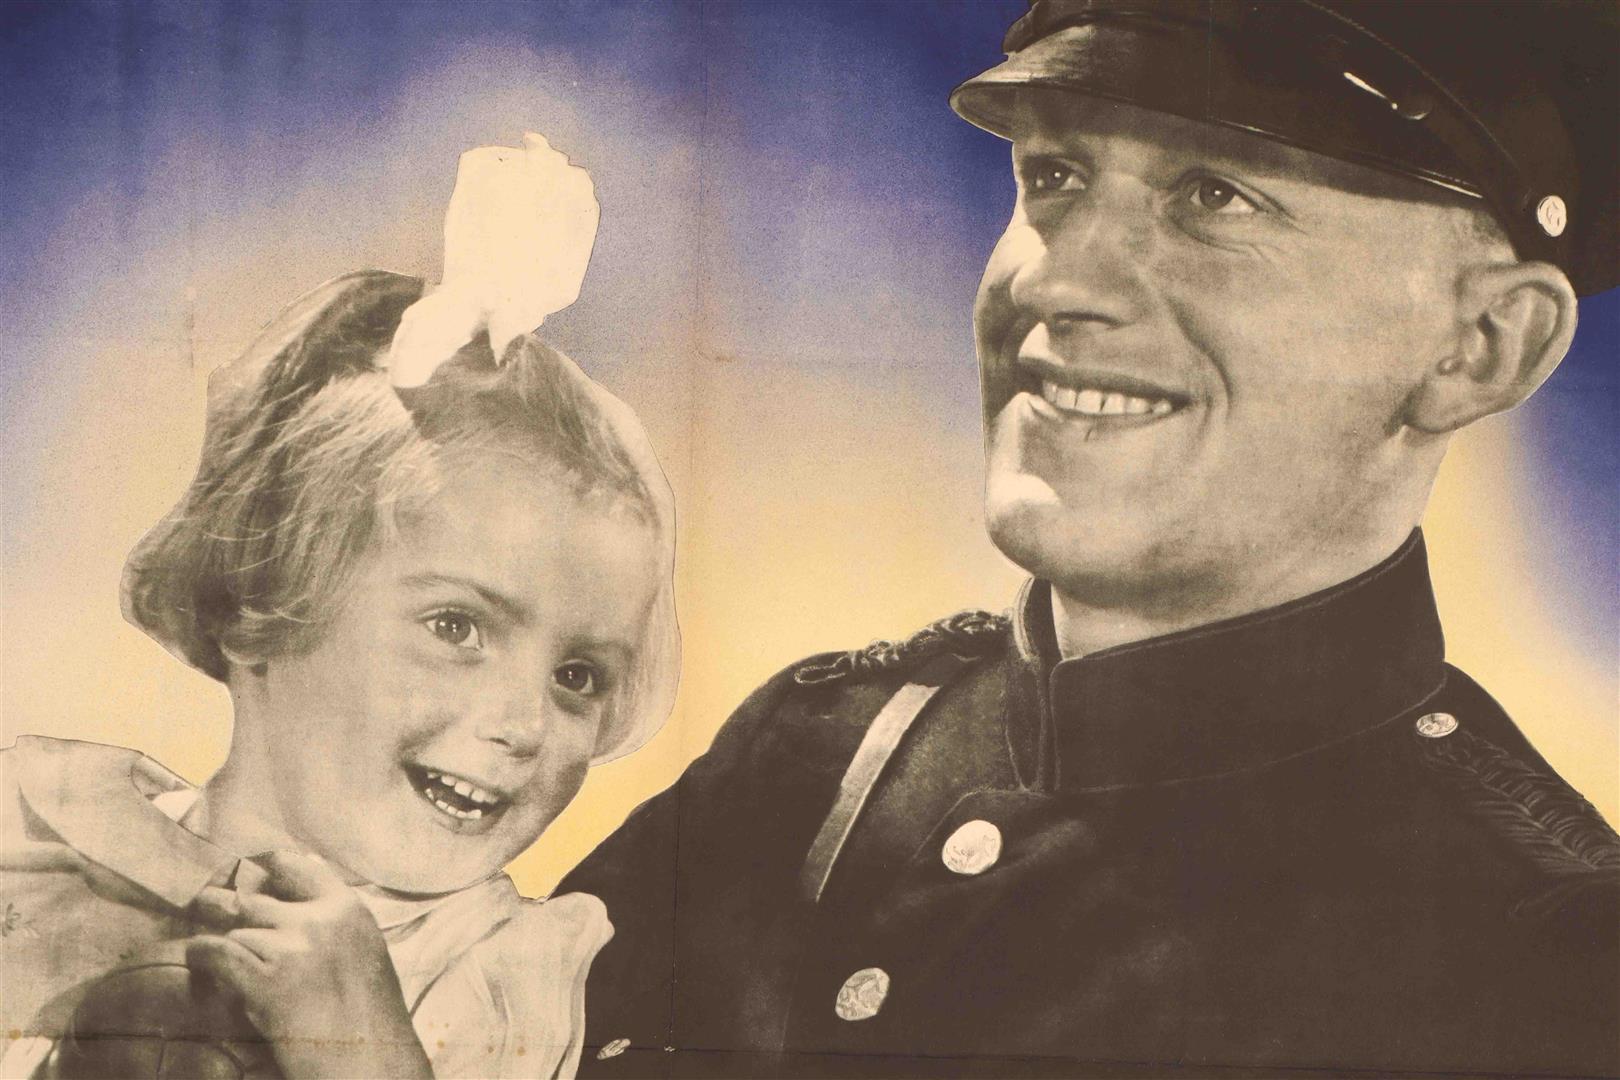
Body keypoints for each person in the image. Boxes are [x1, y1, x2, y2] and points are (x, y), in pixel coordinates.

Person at [560, 2, 1619, 1076]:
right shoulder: (816, 758)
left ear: (1482, 344)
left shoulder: (1542, 960)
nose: (1054, 283)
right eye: (1054, 176)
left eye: (1213, 196)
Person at [1, 136, 678, 1079]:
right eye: (457, 628)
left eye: (578, 676)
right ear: (263, 599)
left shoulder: (510, 981)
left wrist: (363, 1048)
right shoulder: (44, 855)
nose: (526, 727)